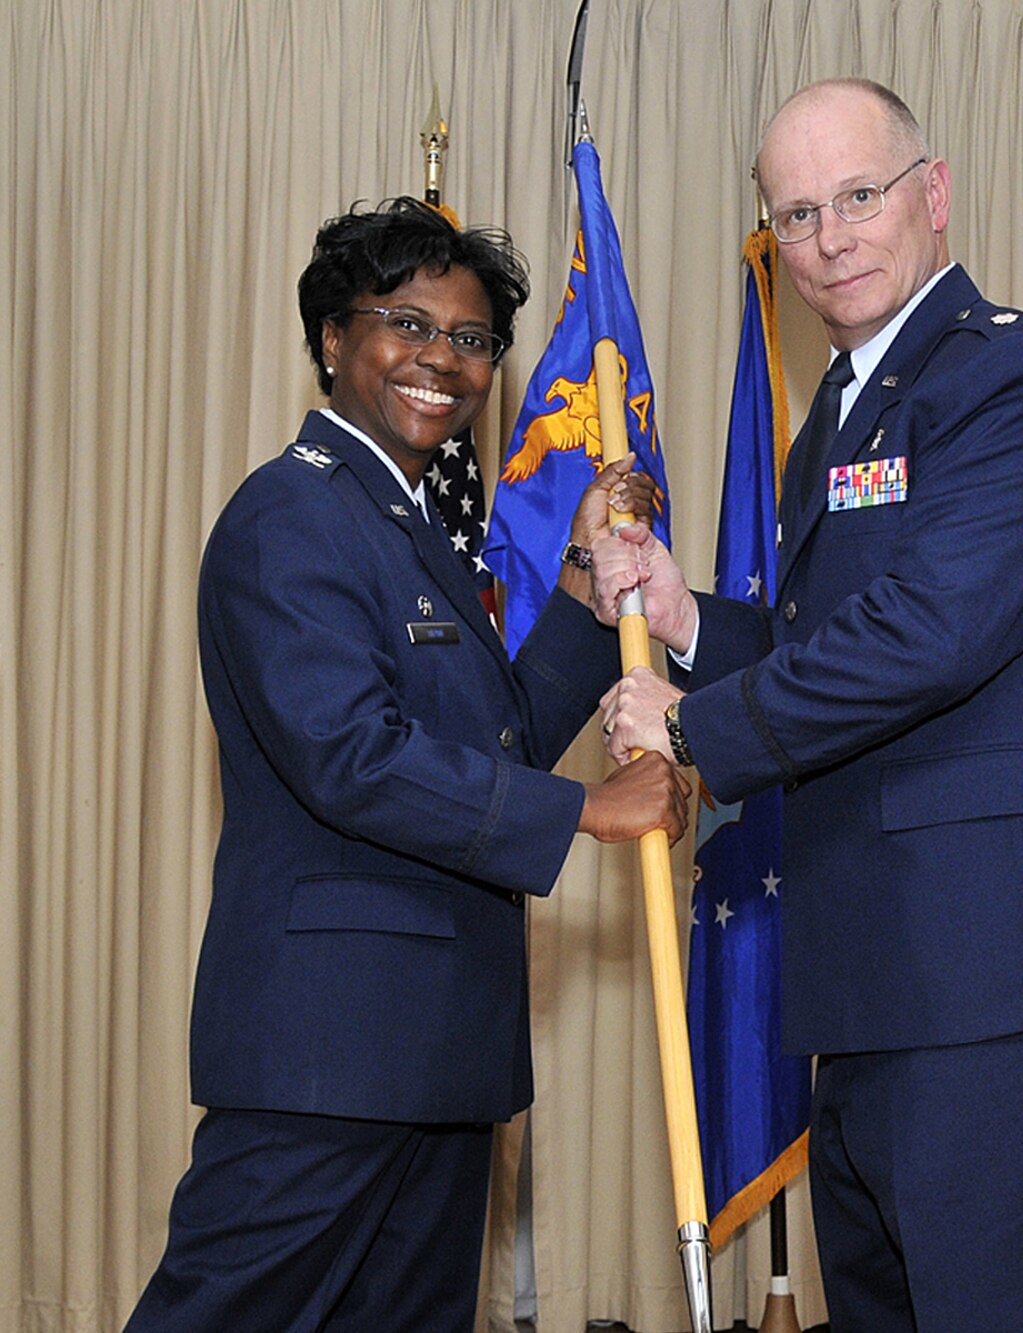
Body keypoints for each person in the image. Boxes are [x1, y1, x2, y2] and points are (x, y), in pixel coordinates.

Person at [593, 79, 1023, 1331]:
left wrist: (688, 729)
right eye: (795, 215)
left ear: (933, 194)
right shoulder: (835, 421)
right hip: (868, 979)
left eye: (858, 196)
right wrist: (689, 624)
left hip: (996, 978)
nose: (830, 236)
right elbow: (820, 640)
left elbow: (928, 635)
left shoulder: (1010, 380)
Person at [127, 198, 690, 1331]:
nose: (443, 359)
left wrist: (583, 572)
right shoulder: (291, 514)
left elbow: (493, 737)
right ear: (333, 339)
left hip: (438, 1051)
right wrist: (586, 809)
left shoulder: (407, 527)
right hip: (327, 1055)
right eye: (406, 323)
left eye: (472, 338)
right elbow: (351, 757)